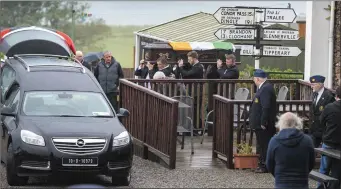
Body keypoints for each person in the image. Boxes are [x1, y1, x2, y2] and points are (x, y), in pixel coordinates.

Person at [266, 112, 315, 189]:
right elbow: (311, 163)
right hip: (301, 183)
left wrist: (278, 176)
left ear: (280, 124)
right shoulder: (307, 141)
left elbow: (269, 164)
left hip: (281, 183)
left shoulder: (274, 141)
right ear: (297, 123)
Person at [249, 69, 277, 173]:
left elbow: (266, 107)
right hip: (259, 123)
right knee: (261, 144)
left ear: (257, 79)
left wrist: (263, 122)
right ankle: (261, 164)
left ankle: (265, 165)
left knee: (264, 145)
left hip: (264, 124)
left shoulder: (265, 88)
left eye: (254, 78)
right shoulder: (264, 87)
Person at [318, 86, 341, 189]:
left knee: (324, 169)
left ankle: (321, 187)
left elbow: (321, 121)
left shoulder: (329, 107)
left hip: (329, 141)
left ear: (336, 95)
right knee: (337, 170)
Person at [178, 51, 204, 130]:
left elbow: (187, 74)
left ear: (194, 58)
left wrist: (181, 67)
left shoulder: (198, 67)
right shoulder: (193, 66)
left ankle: (197, 128)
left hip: (196, 92)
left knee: (195, 110)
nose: (188, 61)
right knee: (193, 110)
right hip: (192, 91)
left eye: (189, 59)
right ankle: (194, 127)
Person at [309, 75, 335, 148]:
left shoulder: (329, 96)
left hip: (324, 130)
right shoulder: (314, 94)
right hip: (314, 129)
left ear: (320, 84)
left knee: (325, 152)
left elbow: (330, 114)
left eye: (313, 84)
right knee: (312, 149)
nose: (311, 86)